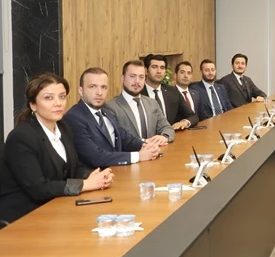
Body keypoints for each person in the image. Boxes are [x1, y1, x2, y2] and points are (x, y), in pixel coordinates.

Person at [0, 73, 114, 225]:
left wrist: (93, 176)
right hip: (24, 217)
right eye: (49, 98)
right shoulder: (21, 137)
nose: (58, 103)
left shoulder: (64, 128)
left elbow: (73, 168)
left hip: (57, 207)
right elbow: (38, 188)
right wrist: (85, 184)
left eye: (62, 97)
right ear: (33, 105)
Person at [65, 67, 161, 168]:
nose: (99, 93)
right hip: (97, 175)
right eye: (92, 87)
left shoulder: (107, 111)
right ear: (81, 91)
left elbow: (124, 139)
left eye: (104, 87)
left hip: (118, 171)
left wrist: (147, 145)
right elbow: (95, 157)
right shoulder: (73, 118)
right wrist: (138, 156)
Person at [105, 60, 175, 144]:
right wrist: (144, 142)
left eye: (141, 77)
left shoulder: (152, 103)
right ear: (122, 78)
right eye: (132, 76)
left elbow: (166, 127)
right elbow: (117, 138)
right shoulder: (110, 107)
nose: (137, 81)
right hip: (130, 152)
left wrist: (164, 136)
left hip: (155, 151)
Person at [141, 54, 198, 130]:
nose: (159, 71)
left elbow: (193, 116)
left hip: (171, 135)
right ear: (146, 70)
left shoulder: (173, 91)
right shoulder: (138, 93)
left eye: (162, 68)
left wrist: (184, 122)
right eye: (154, 67)